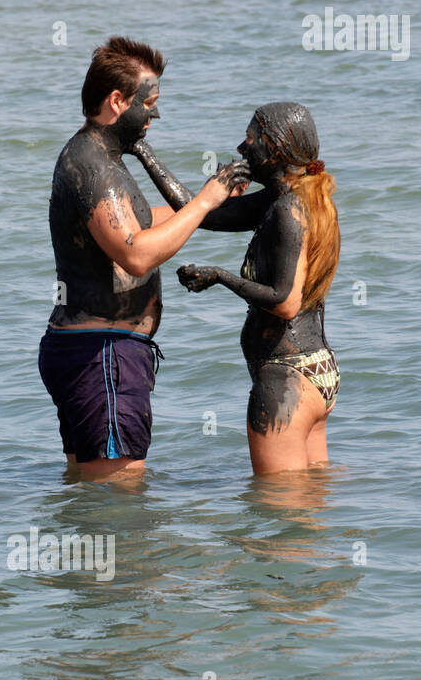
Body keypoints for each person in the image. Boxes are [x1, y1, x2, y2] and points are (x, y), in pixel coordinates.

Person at [39, 36, 249, 481]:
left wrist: (212, 206)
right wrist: (205, 201)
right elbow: (136, 254)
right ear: (117, 102)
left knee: (90, 495)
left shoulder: (99, 158)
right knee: (120, 504)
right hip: (103, 357)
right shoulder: (94, 166)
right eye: (149, 102)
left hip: (92, 354)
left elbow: (138, 223)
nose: (155, 113)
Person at [133, 103, 341, 474]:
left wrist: (220, 276)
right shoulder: (296, 198)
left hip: (285, 380)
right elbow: (201, 213)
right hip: (318, 373)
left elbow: (285, 302)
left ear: (274, 150)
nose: (242, 150)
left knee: (276, 511)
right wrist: (142, 150)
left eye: (250, 141)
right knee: (310, 507)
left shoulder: (285, 210)